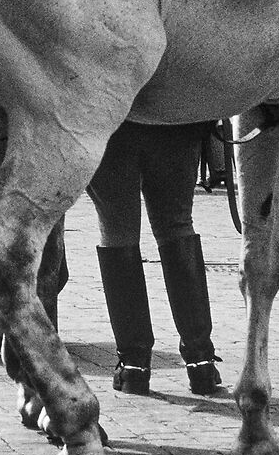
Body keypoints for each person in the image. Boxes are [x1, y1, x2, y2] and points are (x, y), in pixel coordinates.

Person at [83, 121, 225, 397]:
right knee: (177, 225)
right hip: (173, 122)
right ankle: (201, 361)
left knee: (116, 231)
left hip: (109, 125)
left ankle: (134, 365)